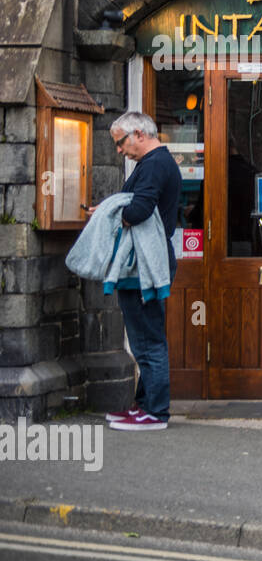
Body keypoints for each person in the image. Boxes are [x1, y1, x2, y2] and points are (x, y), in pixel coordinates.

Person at [96, 112, 182, 431]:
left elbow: (138, 211)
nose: (119, 150)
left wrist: (108, 213)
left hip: (145, 264)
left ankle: (155, 412)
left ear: (139, 134)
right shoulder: (156, 163)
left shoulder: (154, 164)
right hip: (147, 261)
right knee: (146, 337)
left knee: (148, 340)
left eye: (121, 142)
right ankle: (145, 406)